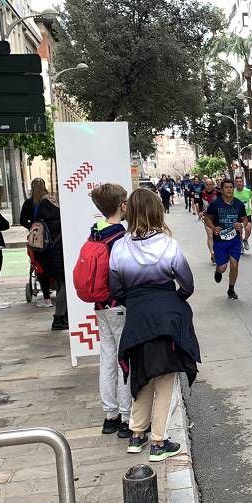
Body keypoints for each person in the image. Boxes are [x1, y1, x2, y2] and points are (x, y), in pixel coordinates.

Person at [109, 188, 198, 462]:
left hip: (137, 319)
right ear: (157, 210)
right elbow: (187, 284)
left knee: (143, 374)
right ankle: (158, 441)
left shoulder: (119, 247)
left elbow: (116, 289)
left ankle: (137, 435)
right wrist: (172, 300)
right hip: (166, 317)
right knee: (166, 379)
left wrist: (136, 301)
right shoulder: (168, 244)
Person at [86, 183, 133, 440]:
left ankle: (110, 415)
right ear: (122, 205)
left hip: (100, 306)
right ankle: (126, 417)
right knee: (124, 360)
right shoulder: (120, 237)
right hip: (118, 305)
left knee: (106, 359)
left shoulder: (94, 232)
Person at [204, 178, 247, 300]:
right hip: (220, 241)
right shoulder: (215, 204)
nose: (229, 189)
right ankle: (218, 271)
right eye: (226, 187)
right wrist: (213, 227)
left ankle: (231, 289)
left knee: (234, 265)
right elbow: (207, 218)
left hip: (234, 240)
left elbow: (244, 219)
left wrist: (241, 224)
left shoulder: (238, 204)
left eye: (230, 187)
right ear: (222, 190)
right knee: (223, 268)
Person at [36, 192, 69, 330]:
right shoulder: (60, 219)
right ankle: (59, 318)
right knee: (64, 287)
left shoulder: (41, 219)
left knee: (62, 286)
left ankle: (62, 316)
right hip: (60, 256)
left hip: (46, 258)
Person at [21, 178, 53, 308]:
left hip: (36, 238)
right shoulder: (51, 201)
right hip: (52, 237)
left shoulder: (29, 203)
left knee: (39, 266)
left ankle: (46, 298)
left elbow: (22, 220)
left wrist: (32, 226)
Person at [199, 177, 220, 262]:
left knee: (217, 235)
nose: (209, 186)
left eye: (210, 184)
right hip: (207, 216)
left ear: (213, 185)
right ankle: (212, 253)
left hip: (217, 217)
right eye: (207, 184)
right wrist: (200, 212)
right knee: (210, 235)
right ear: (205, 185)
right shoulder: (201, 193)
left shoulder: (218, 193)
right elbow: (200, 204)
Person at [233, 174, 252, 252]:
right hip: (236, 215)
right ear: (235, 183)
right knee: (239, 231)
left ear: (243, 182)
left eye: (240, 181)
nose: (239, 183)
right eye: (237, 182)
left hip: (247, 214)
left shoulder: (247, 191)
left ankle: (245, 240)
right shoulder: (233, 192)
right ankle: (240, 244)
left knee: (248, 229)